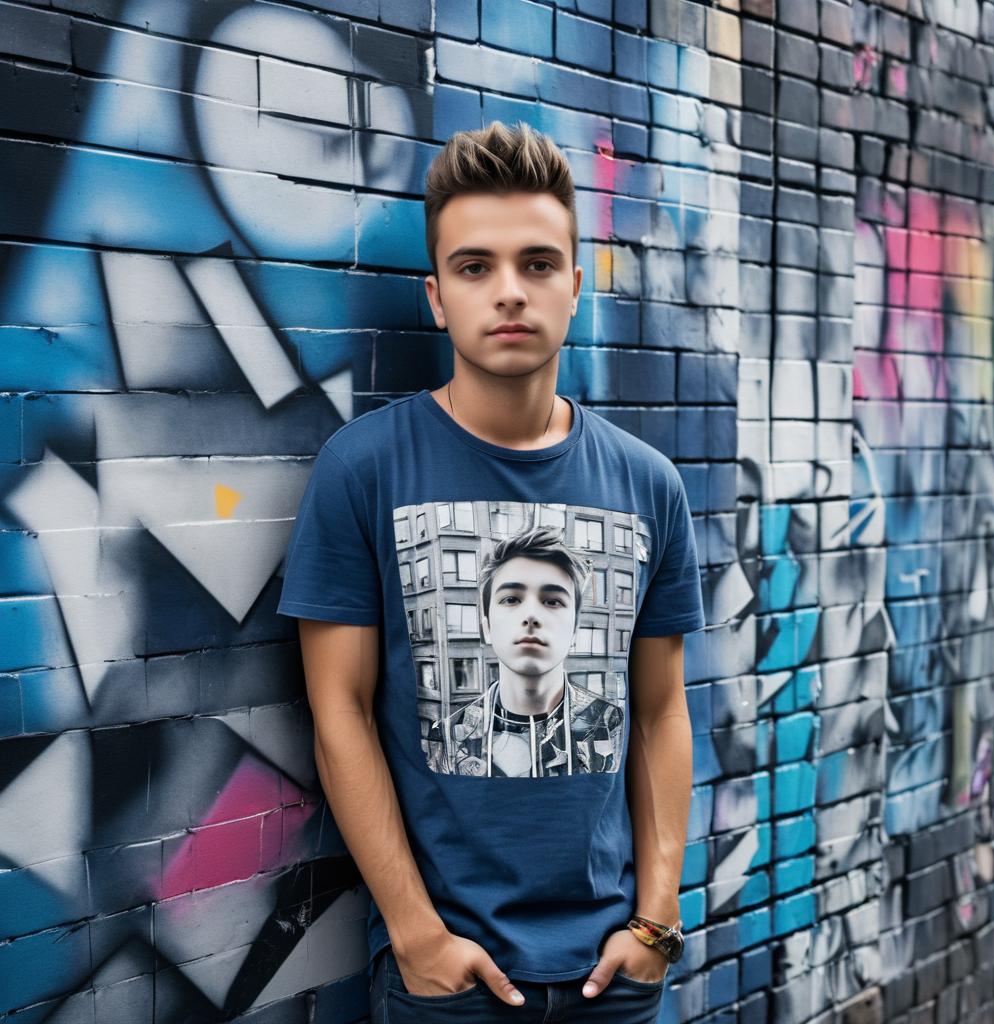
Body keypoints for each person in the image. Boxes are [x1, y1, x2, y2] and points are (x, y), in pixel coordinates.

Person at [276, 120, 705, 1023]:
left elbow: (663, 708)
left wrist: (657, 920)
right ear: (436, 297)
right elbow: (339, 713)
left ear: (576, 287)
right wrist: (417, 933)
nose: (509, 292)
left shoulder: (647, 484)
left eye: (539, 264)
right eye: (475, 268)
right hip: (447, 983)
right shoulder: (365, 470)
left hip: (612, 979)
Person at [424, 525, 625, 778]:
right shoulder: (447, 733)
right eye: (511, 599)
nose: (531, 615)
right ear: (487, 627)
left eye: (552, 601)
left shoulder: (610, 722)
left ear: (574, 630)